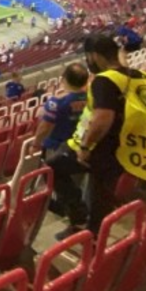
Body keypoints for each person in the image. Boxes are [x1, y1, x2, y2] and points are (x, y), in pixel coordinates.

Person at [62, 34, 146, 239]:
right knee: (102, 194)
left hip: (109, 148)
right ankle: (92, 230)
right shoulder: (143, 76)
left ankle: (88, 230)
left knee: (59, 167)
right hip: (130, 147)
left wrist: (85, 147)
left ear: (95, 56)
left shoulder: (104, 80)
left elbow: (103, 118)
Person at [36, 63, 90, 228]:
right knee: (74, 178)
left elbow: (45, 126)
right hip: (78, 144)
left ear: (64, 79)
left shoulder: (57, 101)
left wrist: (35, 143)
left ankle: (64, 207)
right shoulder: (91, 98)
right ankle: (69, 206)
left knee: (54, 176)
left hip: (57, 145)